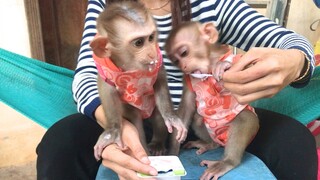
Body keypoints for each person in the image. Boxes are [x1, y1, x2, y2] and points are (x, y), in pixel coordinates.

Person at [36, 0, 317, 180]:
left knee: (294, 142)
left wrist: (296, 61)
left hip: (207, 116)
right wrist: (115, 125)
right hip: (134, 117)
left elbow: (285, 40)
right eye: (140, 42)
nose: (153, 54)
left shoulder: (211, 5)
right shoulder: (108, 7)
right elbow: (88, 72)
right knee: (60, 144)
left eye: (154, 39)